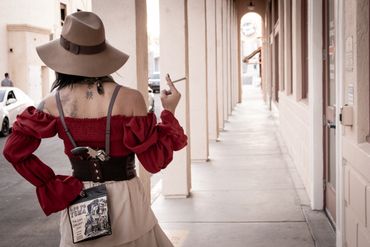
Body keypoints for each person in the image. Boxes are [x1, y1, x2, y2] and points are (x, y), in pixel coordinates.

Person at [3, 11, 187, 247]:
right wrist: (169, 111)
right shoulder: (131, 98)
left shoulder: (52, 102)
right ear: (103, 54)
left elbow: (13, 150)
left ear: (62, 58)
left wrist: (50, 183)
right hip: (127, 201)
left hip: (79, 199)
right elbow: (154, 161)